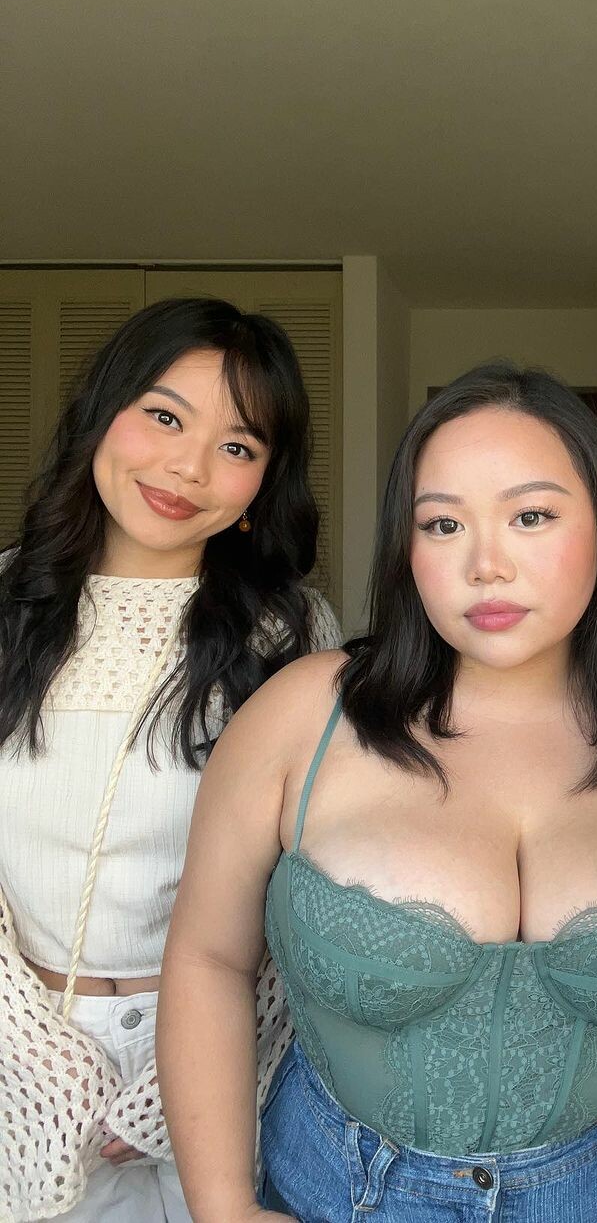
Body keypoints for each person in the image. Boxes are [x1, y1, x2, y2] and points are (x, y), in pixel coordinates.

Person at [158, 362, 597, 1223]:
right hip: (339, 1191)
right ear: (408, 549)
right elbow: (208, 957)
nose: (486, 566)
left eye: (531, 516)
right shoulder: (305, 716)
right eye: (444, 524)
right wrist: (223, 1207)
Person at [0, 298, 341, 1222]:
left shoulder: (291, 635)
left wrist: (180, 1075)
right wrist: (32, 1060)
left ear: (264, 482)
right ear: (102, 412)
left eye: (237, 445)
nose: (188, 467)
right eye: (163, 416)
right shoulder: (7, 604)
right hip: (16, 1050)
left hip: (226, 1057)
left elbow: (308, 883)